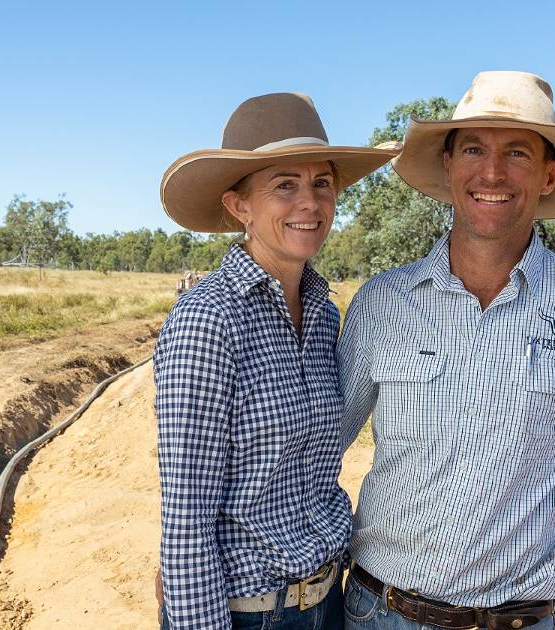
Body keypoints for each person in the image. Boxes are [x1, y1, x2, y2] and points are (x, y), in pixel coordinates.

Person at [337, 71, 555, 630]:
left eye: (517, 152)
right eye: (473, 148)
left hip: (520, 620)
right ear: (449, 167)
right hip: (382, 611)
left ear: (549, 175)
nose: (492, 172)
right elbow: (318, 444)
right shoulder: (383, 302)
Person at [155, 92, 397, 629]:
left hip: (329, 601)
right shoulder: (209, 320)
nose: (309, 203)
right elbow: (187, 515)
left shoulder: (321, 311)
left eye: (321, 183)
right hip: (250, 615)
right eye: (283, 185)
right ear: (238, 206)